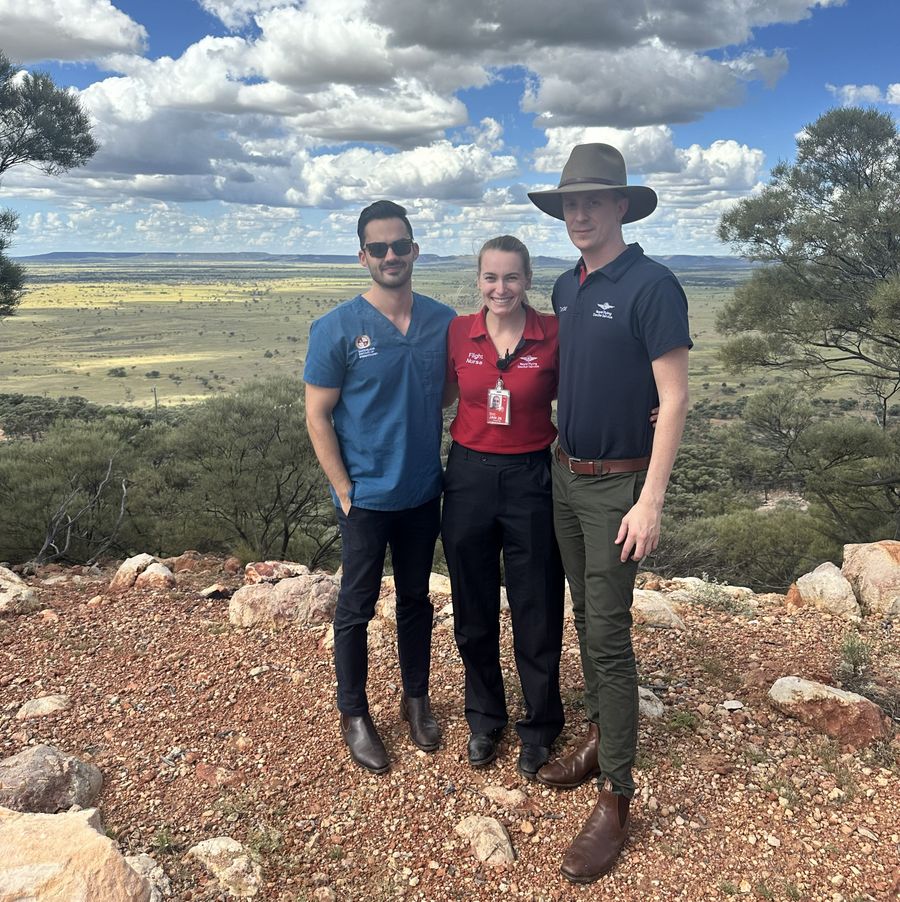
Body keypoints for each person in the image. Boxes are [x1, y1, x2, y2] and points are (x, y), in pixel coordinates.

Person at [528, 144, 692, 882]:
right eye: (570, 202)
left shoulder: (652, 285)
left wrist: (651, 499)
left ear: (622, 206)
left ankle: (617, 797)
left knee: (609, 631)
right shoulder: (566, 286)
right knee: (584, 615)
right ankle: (598, 732)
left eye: (595, 201)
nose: (580, 213)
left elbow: (676, 397)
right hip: (566, 476)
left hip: (620, 487)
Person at [304, 200, 456, 775]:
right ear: (364, 256)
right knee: (357, 607)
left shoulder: (442, 321)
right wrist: (343, 487)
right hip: (364, 497)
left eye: (401, 246)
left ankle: (415, 700)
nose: (391, 256)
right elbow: (317, 415)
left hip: (422, 491)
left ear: (414, 250)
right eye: (379, 248)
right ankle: (354, 713)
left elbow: (445, 392)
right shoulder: (338, 327)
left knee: (416, 600)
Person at [441, 235, 565, 781]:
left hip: (532, 476)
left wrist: (649, 407)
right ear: (478, 281)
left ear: (528, 280)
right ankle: (485, 716)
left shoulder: (555, 334)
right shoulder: (457, 332)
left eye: (511, 277)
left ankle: (540, 726)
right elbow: (436, 394)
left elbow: (590, 389)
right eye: (491, 277)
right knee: (472, 604)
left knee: (536, 604)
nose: (500, 288)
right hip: (468, 474)